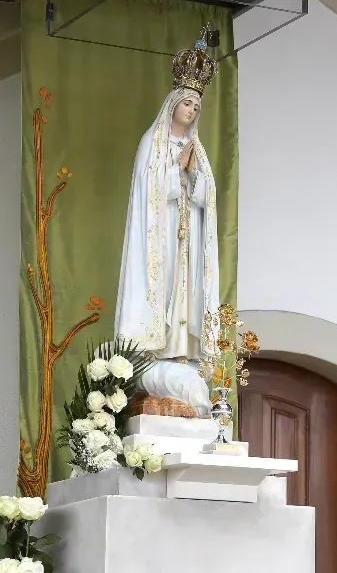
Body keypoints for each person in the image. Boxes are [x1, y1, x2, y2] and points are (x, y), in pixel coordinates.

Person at [114, 32, 220, 416]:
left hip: (188, 238)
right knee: (165, 292)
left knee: (187, 293)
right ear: (173, 104)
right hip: (161, 240)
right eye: (187, 103)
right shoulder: (153, 144)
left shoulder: (199, 151)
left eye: (197, 106)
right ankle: (156, 354)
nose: (192, 111)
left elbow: (207, 195)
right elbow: (149, 192)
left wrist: (194, 178)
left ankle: (183, 354)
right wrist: (177, 172)